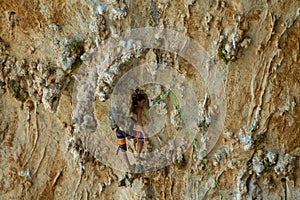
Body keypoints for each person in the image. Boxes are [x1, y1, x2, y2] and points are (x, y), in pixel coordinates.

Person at [115, 93, 147, 172]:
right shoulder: (139, 109)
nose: (143, 104)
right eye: (143, 102)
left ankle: (129, 166)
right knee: (141, 138)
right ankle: (137, 155)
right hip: (127, 131)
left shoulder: (130, 108)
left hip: (119, 131)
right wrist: (144, 133)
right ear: (138, 102)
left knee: (123, 149)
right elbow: (139, 123)